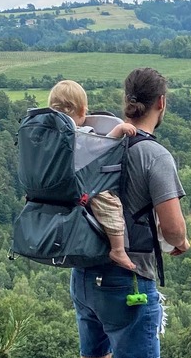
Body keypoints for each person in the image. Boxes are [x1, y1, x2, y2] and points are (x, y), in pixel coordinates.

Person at [71, 67, 191, 358]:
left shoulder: (98, 141)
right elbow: (173, 228)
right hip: (129, 280)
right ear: (162, 103)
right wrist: (180, 243)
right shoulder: (153, 155)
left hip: (84, 274)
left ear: (127, 101)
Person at [47, 79, 138, 272]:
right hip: (81, 184)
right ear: (82, 112)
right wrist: (119, 129)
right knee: (110, 203)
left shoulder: (49, 133)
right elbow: (100, 146)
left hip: (54, 186)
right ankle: (118, 249)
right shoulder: (79, 132)